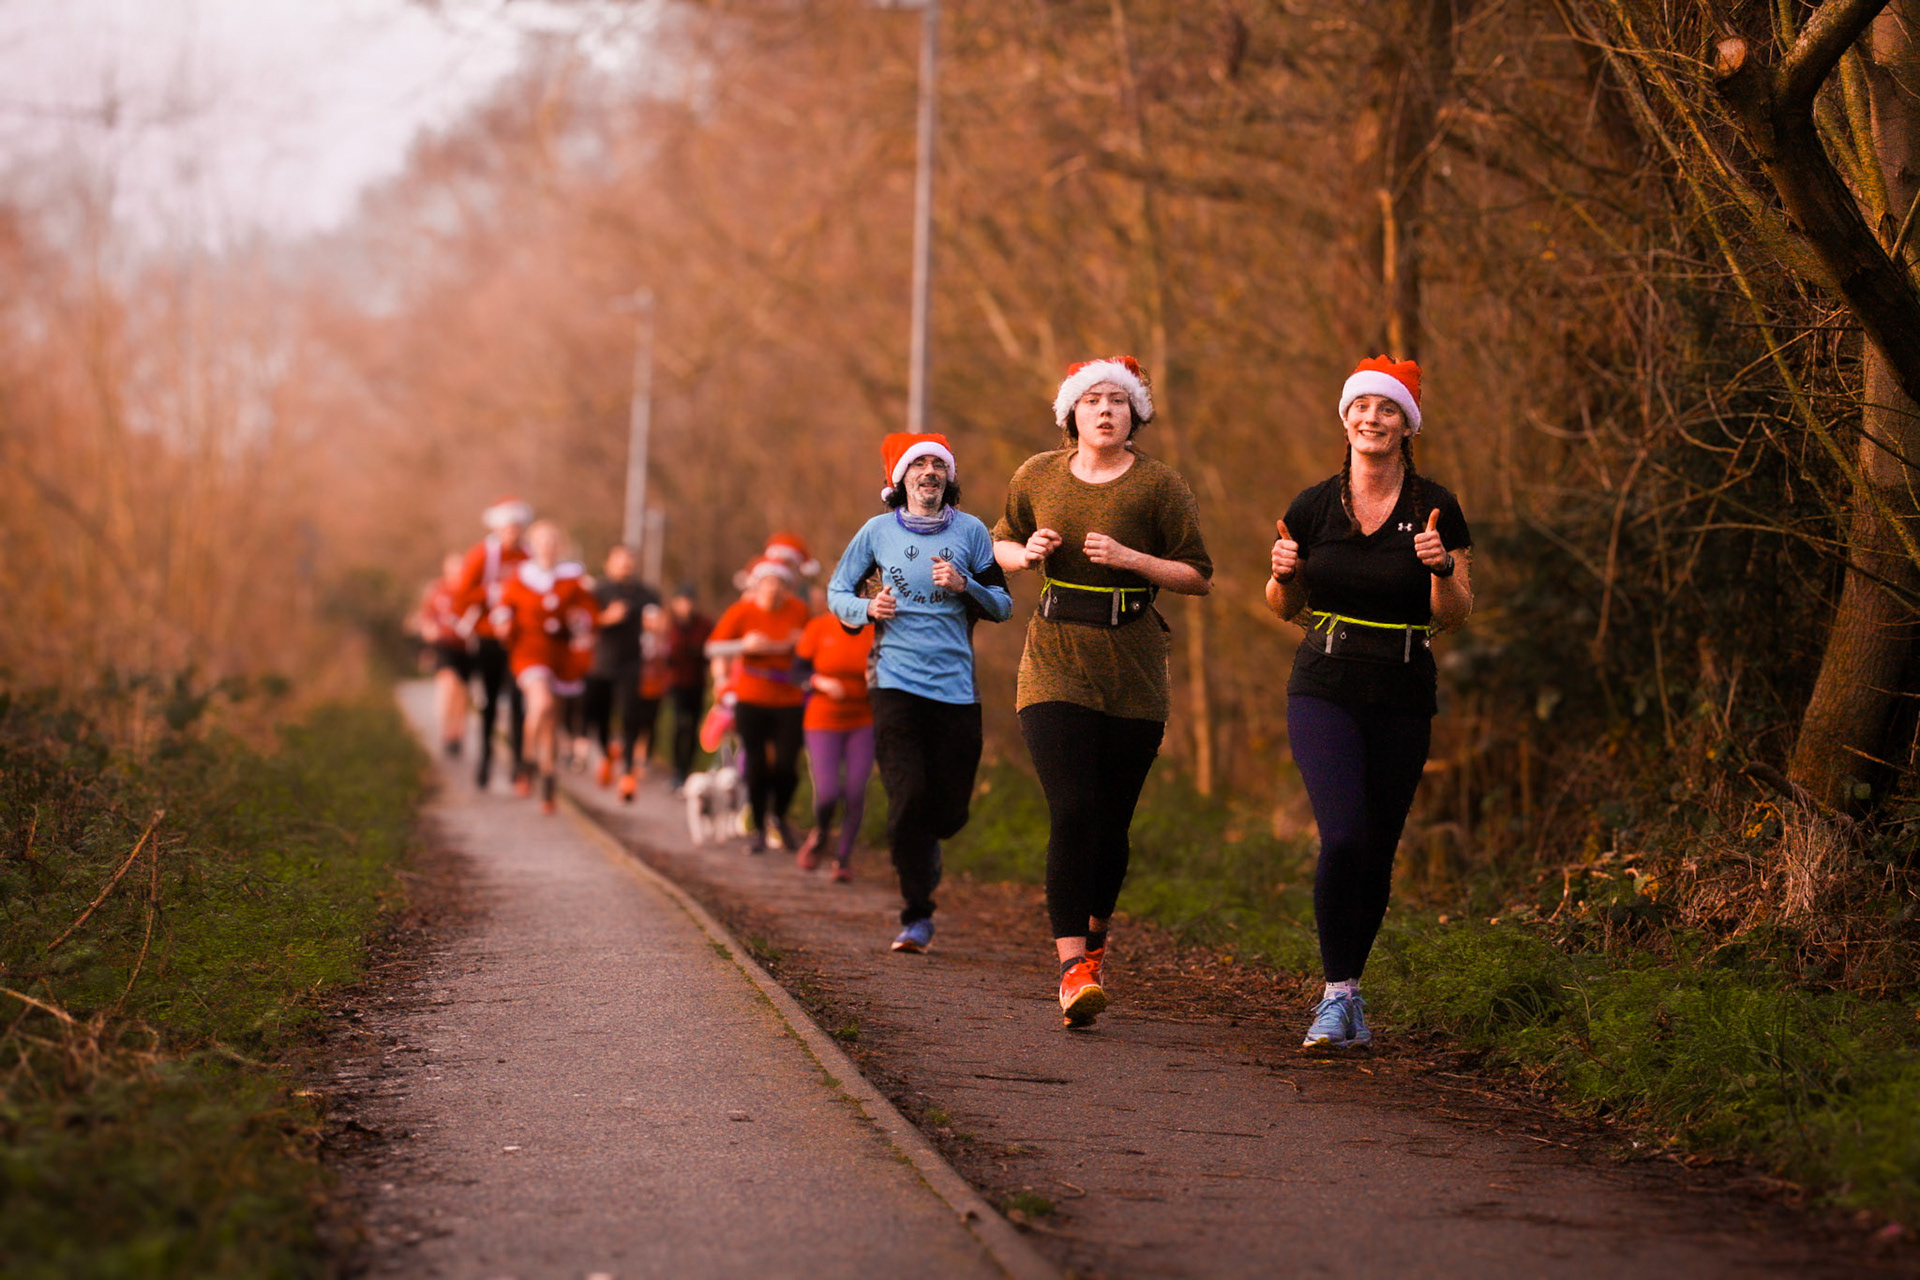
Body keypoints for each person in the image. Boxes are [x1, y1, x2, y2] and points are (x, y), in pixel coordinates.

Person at [992, 357, 1213, 1029]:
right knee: (1074, 807)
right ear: (1072, 414)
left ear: (1136, 413)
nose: (1105, 410)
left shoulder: (1160, 486)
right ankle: (1072, 969)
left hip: (1135, 663)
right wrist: (1028, 554)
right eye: (1092, 400)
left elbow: (1197, 574)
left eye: (1118, 400)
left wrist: (1132, 560)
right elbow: (996, 543)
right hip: (1055, 655)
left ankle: (1094, 944)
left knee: (1111, 824)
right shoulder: (1037, 474)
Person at [1266, 356, 1472, 1051]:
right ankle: (1332, 994)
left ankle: (1351, 994)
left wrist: (1441, 568)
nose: (1371, 419)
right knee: (1345, 835)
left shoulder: (1433, 505)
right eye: (1361, 407)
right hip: (1323, 683)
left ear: (1405, 425)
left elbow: (1458, 612)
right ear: (1345, 418)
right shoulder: (1313, 505)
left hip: (1404, 689)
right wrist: (1281, 575)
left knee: (1378, 849)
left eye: (1386, 410)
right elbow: (1283, 607)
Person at [829, 433, 1012, 953]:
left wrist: (965, 586)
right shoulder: (876, 533)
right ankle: (916, 915)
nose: (929, 472)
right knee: (907, 799)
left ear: (948, 478)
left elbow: (1003, 605)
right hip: (894, 681)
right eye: (919, 464)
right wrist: (867, 610)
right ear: (901, 479)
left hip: (956, 688)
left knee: (948, 813)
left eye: (938, 465)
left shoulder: (973, 533)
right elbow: (837, 592)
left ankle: (928, 843)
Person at [492, 521, 598, 815]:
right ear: (533, 545)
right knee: (542, 702)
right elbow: (503, 606)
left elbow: (589, 612)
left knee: (551, 720)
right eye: (542, 540)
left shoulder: (572, 579)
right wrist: (502, 624)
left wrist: (585, 625)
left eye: (553, 540)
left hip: (560, 654)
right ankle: (526, 761)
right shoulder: (520, 576)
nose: (548, 546)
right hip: (528, 650)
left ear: (560, 545)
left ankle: (549, 780)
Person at [706, 557, 811, 851]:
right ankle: (759, 827)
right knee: (756, 764)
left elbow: (813, 644)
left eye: (778, 584)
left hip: (788, 696)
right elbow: (712, 646)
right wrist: (744, 645)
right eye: (766, 583)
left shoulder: (798, 610)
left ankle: (778, 815)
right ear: (756, 586)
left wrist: (801, 641)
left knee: (788, 767)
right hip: (751, 695)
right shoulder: (742, 611)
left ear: (787, 588)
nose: (771, 590)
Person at [793, 590, 875, 882]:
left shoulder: (878, 630)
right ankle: (820, 835)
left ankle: (842, 859)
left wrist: (876, 678)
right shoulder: (818, 627)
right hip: (822, 720)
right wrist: (820, 681)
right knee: (827, 793)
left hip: (863, 720)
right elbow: (797, 672)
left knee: (854, 791)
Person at [455, 497, 531, 791]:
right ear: (498, 528)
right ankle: (485, 757)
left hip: (518, 638)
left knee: (517, 701)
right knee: (487, 700)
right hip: (488, 637)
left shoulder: (528, 557)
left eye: (517, 527)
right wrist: (492, 593)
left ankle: (517, 764)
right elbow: (462, 595)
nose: (513, 533)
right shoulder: (481, 556)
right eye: (508, 528)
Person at [581, 544, 660, 799]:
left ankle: (627, 772)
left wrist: (658, 624)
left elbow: (660, 621)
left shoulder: (646, 593)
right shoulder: (597, 591)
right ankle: (607, 753)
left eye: (629, 560)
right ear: (608, 563)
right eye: (620, 560)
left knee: (630, 716)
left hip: (632, 663)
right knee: (599, 718)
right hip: (600, 664)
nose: (626, 564)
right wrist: (604, 618)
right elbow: (582, 622)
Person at [412, 552, 474, 758]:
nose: (457, 573)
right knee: (448, 685)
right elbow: (425, 615)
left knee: (462, 691)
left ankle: (458, 732)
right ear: (446, 570)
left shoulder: (471, 592)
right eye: (453, 569)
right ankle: (447, 731)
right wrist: (428, 628)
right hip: (444, 645)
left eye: (461, 569)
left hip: (466, 647)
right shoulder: (437, 590)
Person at [664, 585, 713, 787]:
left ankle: (687, 769)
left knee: (693, 726)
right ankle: (677, 769)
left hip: (697, 682)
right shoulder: (669, 624)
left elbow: (709, 650)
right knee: (679, 724)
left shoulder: (704, 624)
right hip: (676, 683)